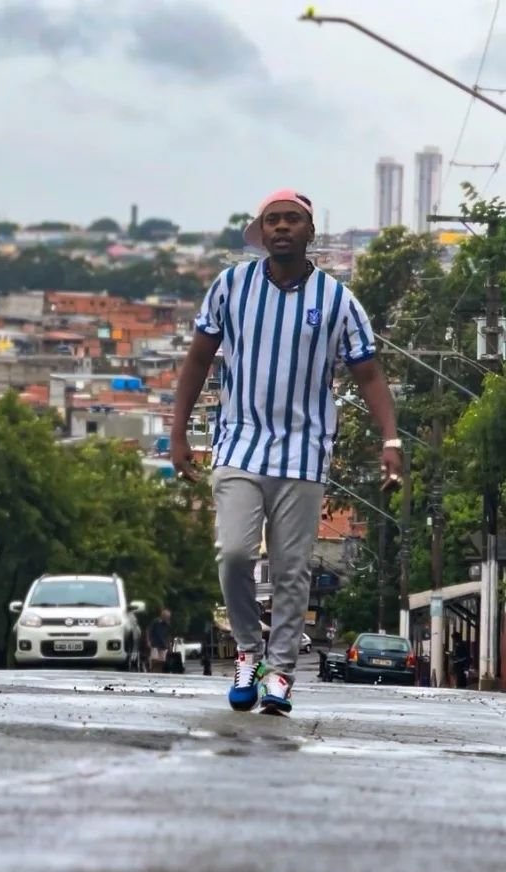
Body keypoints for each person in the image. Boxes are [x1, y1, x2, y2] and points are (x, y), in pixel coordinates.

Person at [171, 188, 402, 715]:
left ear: (309, 233)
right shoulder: (231, 286)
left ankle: (280, 673)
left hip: (303, 450)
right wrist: (178, 431)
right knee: (233, 553)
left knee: (292, 568)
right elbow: (198, 359)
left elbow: (368, 372)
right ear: (261, 231)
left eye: (291, 220)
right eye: (272, 220)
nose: (281, 228)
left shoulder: (338, 300)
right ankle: (248, 653)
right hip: (238, 442)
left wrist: (389, 439)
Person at [148, 608, 172, 673]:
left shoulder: (168, 625)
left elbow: (168, 635)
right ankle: (153, 671)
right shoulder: (155, 622)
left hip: (163, 645)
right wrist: (149, 640)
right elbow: (150, 631)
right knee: (154, 659)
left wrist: (169, 644)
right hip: (155, 643)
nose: (167, 618)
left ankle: (160, 672)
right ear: (162, 616)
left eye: (168, 617)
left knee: (162, 661)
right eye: (166, 617)